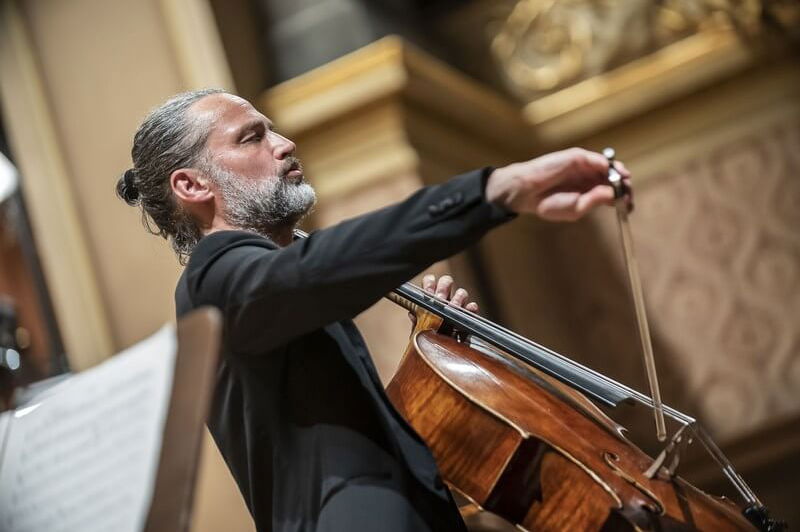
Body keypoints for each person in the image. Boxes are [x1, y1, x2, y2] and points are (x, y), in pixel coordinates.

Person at [117, 89, 630, 532]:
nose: (285, 143)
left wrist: (432, 365)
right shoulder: (216, 276)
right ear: (192, 186)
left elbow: (337, 434)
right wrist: (493, 191)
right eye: (251, 138)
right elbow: (316, 271)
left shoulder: (274, 284)